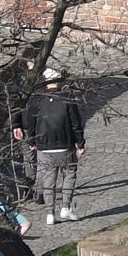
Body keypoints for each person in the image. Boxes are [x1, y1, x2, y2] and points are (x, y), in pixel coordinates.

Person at [23, 73, 87, 229]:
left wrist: (31, 140)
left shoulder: (37, 100)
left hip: (44, 147)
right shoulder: (67, 99)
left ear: (45, 81)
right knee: (70, 172)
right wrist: (80, 143)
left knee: (48, 179)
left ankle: (50, 213)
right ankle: (66, 207)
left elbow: (30, 123)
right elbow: (76, 124)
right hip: (65, 145)